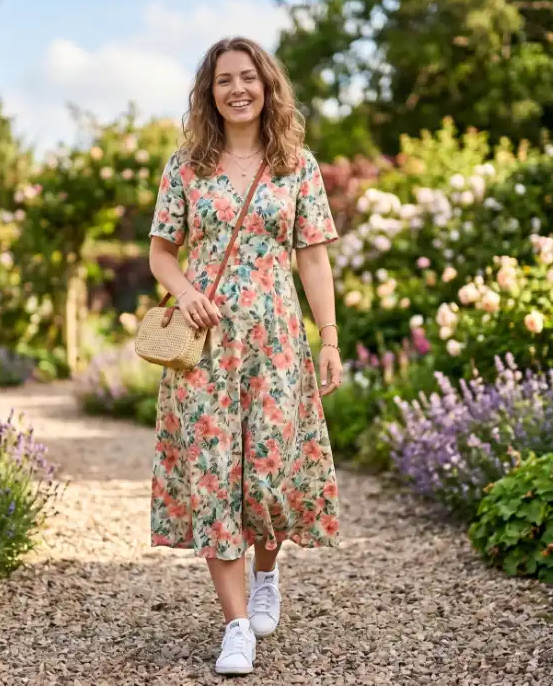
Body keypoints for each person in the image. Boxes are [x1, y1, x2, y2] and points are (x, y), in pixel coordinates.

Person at [146, 35, 343, 676]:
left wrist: (329, 339)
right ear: (209, 91)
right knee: (212, 478)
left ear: (267, 86)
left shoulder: (296, 163)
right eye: (224, 79)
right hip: (204, 350)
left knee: (269, 472)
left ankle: (267, 572)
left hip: (277, 342)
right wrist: (186, 292)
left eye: (248, 77)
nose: (237, 89)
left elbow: (312, 255)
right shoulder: (186, 165)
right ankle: (235, 626)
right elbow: (161, 252)